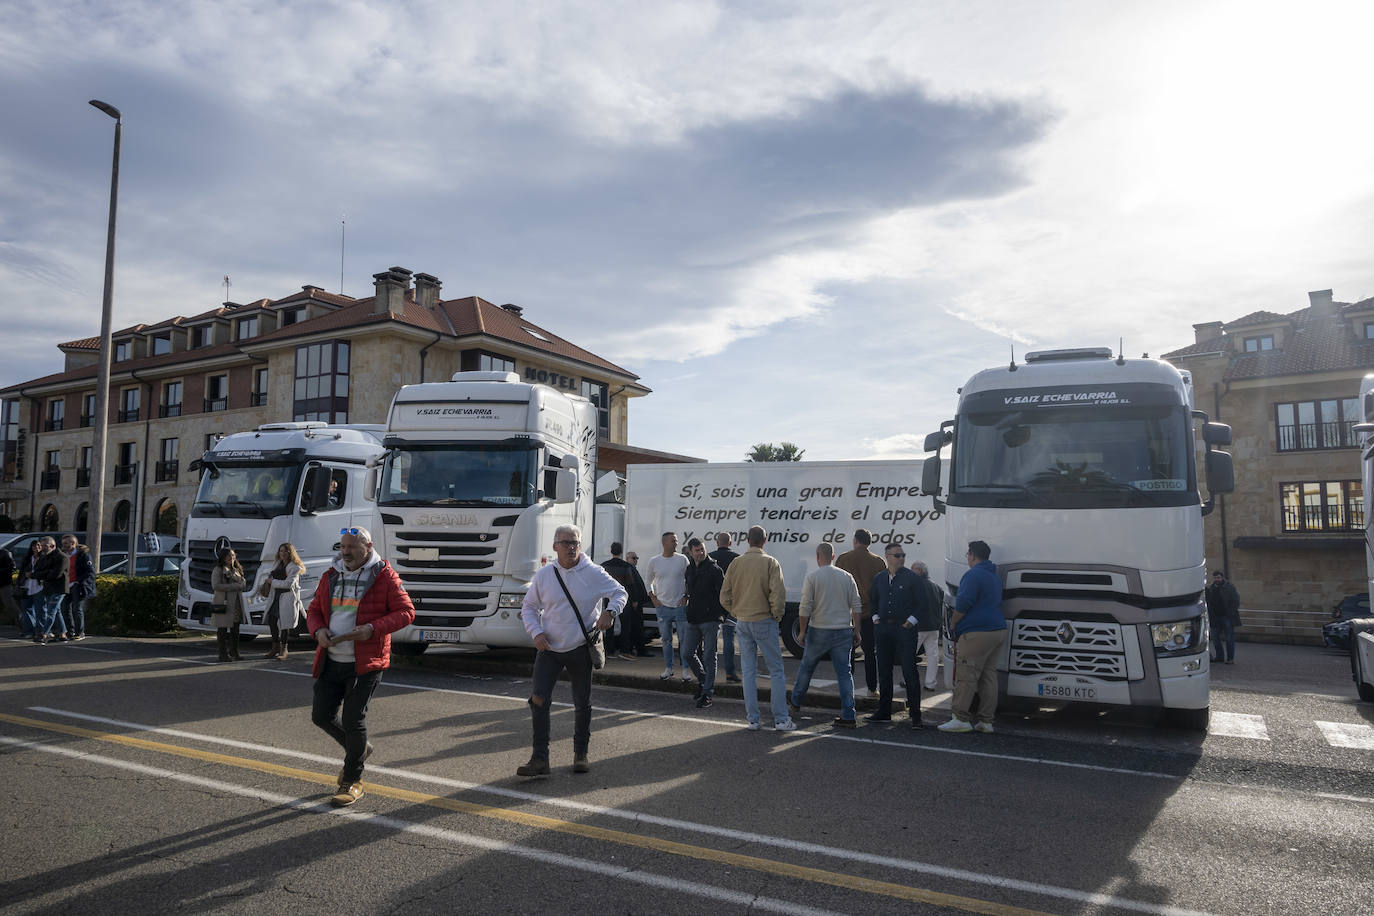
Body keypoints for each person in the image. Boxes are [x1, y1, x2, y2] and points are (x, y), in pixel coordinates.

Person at [307, 526, 415, 806]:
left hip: (365, 663)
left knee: (354, 720)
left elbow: (406, 612)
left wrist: (372, 628)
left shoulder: (384, 576)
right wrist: (318, 631)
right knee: (320, 716)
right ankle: (359, 750)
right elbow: (314, 610)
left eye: (352, 547)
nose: (346, 553)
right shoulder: (330, 576)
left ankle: (352, 780)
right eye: (342, 547)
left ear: (368, 547)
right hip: (331, 659)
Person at [517, 524, 625, 777]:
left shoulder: (594, 573)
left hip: (579, 647)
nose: (571, 547)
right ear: (555, 546)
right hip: (549, 648)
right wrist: (536, 632)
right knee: (539, 700)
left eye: (575, 542)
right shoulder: (544, 575)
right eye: (566, 543)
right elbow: (529, 607)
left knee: (581, 703)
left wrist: (611, 612)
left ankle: (580, 754)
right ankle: (540, 759)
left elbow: (620, 592)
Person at [720, 525, 795, 732]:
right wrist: (776, 616)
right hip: (764, 620)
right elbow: (778, 595)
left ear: (747, 540)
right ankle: (781, 719)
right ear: (765, 540)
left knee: (748, 671)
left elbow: (724, 595)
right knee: (776, 671)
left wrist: (736, 611)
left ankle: (753, 719)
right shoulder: (770, 562)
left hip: (743, 621)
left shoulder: (736, 563)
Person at [788, 542, 861, 727]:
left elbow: (805, 607)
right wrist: (857, 631)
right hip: (843, 630)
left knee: (807, 668)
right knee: (844, 674)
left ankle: (795, 704)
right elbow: (857, 606)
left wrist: (803, 631)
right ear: (833, 556)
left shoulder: (813, 577)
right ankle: (848, 715)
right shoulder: (847, 577)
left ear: (818, 556)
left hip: (819, 629)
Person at [940, 540, 1007, 734]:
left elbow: (964, 603)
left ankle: (960, 717)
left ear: (972, 555)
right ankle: (986, 721)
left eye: (968, 555)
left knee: (966, 676)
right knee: (988, 676)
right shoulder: (994, 575)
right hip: (997, 629)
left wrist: (953, 622)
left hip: (977, 631)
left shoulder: (972, 575)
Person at [867, 542, 928, 728]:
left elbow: (923, 603)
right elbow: (872, 599)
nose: (902, 558)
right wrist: (875, 617)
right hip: (883, 628)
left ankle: (916, 714)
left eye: (903, 555)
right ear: (887, 556)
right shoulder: (879, 578)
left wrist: (911, 621)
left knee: (909, 671)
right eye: (898, 555)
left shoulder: (912, 578)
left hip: (904, 629)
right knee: (884, 670)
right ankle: (884, 711)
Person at [835, 529, 886, 698]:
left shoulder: (843, 558)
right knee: (870, 652)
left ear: (855, 540)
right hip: (870, 613)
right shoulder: (878, 562)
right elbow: (882, 589)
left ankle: (847, 689)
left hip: (848, 613)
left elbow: (838, 584)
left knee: (848, 653)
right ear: (869, 542)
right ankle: (872, 689)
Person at [683, 538, 725, 708]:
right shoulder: (689, 569)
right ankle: (703, 680)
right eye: (697, 550)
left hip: (711, 620)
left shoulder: (714, 569)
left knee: (709, 656)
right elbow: (689, 590)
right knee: (687, 653)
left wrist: (722, 614)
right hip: (693, 618)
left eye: (702, 549)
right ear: (690, 552)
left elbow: (724, 593)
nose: (700, 552)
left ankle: (707, 693)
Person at [647, 532, 691, 681]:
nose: (676, 543)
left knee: (683, 639)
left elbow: (690, 578)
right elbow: (648, 581)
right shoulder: (654, 561)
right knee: (666, 640)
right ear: (664, 542)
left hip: (680, 605)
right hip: (662, 607)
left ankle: (685, 669)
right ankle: (669, 668)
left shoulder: (683, 559)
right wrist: (653, 598)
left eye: (676, 541)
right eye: (673, 541)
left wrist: (686, 596)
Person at [601, 541, 650, 660]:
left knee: (609, 627)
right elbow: (630, 584)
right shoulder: (626, 566)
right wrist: (634, 600)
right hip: (623, 600)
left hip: (608, 598)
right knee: (625, 626)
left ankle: (609, 651)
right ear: (621, 552)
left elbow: (601, 582)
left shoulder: (604, 565)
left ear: (611, 551)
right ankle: (625, 651)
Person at [262, 542, 305, 660]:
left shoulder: (295, 567)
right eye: (281, 551)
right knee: (272, 620)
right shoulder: (277, 564)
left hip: (287, 597)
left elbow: (288, 584)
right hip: (275, 596)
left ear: (290, 553)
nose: (283, 553)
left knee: (285, 623)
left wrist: (272, 582)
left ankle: (284, 650)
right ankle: (274, 647)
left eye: (285, 551)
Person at [708, 532, 741, 683]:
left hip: (711, 604)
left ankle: (709, 673)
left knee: (710, 639)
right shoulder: (737, 558)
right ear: (730, 542)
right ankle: (730, 672)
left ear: (717, 542)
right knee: (728, 639)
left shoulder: (709, 557)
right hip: (730, 603)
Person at [910, 560, 946, 690]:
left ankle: (907, 680)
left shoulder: (915, 585)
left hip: (918, 627)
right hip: (934, 627)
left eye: (913, 570)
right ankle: (930, 683)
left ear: (919, 571)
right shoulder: (935, 586)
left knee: (909, 655)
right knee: (932, 657)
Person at [210, 547, 250, 662]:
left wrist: (240, 585)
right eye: (229, 556)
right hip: (223, 602)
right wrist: (235, 586)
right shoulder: (218, 570)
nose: (231, 558)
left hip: (236, 603)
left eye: (233, 556)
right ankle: (222, 654)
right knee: (222, 629)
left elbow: (243, 582)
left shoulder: (236, 569)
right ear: (222, 557)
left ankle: (234, 651)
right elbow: (216, 586)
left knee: (236, 629)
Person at [31, 537, 68, 644]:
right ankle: (62, 634)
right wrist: (46, 572)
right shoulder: (44, 557)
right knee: (56, 612)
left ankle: (43, 634)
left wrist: (45, 573)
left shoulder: (62, 557)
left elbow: (56, 574)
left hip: (59, 588)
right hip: (48, 588)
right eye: (41, 546)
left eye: (45, 546)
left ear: (53, 546)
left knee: (51, 612)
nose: (42, 548)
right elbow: (37, 572)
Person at [59, 534, 96, 641]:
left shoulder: (83, 555)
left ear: (73, 543)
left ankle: (80, 632)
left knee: (77, 608)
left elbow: (90, 572)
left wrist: (79, 582)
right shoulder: (63, 555)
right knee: (65, 608)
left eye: (66, 543)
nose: (64, 546)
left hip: (77, 585)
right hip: (66, 585)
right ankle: (70, 631)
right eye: (63, 543)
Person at [1206, 570, 1242, 665]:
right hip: (1215, 617)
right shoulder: (1211, 588)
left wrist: (1230, 613)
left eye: (1218, 577)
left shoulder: (1230, 587)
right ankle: (1220, 657)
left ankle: (1230, 658)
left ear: (1222, 577)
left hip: (1227, 617)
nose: (1217, 579)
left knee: (1229, 638)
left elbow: (1236, 601)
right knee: (1215, 638)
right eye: (1215, 578)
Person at [18, 541, 43, 640]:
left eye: (38, 545)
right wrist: (20, 583)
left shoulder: (44, 558)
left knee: (40, 611)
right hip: (27, 586)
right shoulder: (28, 558)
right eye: (34, 545)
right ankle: (29, 631)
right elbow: (22, 571)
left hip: (39, 587)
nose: (36, 547)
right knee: (26, 609)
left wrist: (33, 575)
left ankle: (41, 632)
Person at [0, 544, 20, 634]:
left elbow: (12, 567)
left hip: (4, 583)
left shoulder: (5, 553)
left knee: (10, 605)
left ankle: (23, 624)